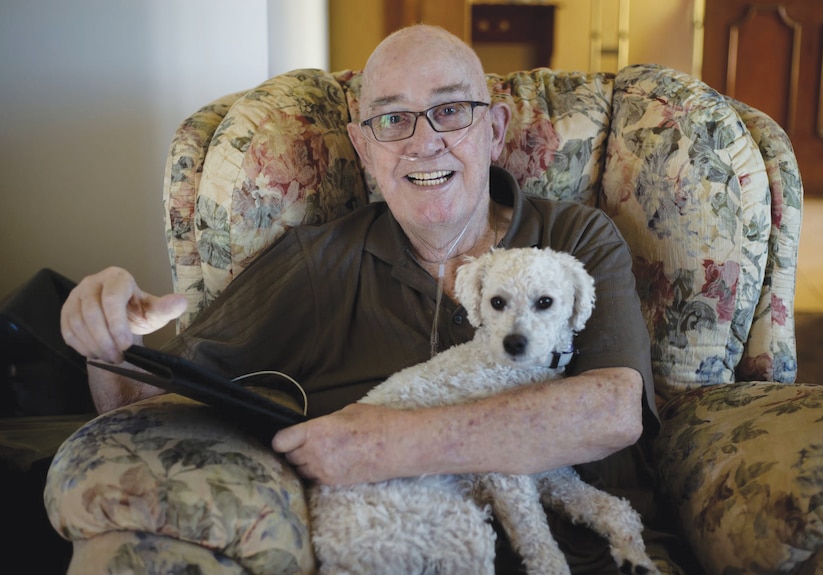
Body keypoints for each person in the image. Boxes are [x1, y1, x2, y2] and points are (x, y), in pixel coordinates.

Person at [61, 24, 672, 574]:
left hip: (593, 559)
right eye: (393, 119)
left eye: (451, 111)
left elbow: (611, 412)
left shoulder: (572, 240)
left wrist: (388, 443)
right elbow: (148, 413)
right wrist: (109, 339)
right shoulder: (314, 265)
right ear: (363, 147)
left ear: (493, 131)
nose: (423, 141)